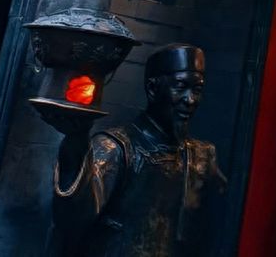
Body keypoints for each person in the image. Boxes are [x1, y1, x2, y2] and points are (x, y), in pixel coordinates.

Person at [52, 43, 227, 256]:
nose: (190, 100)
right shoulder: (115, 147)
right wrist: (76, 142)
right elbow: (74, 217)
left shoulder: (203, 156)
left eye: (197, 90)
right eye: (180, 87)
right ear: (153, 89)